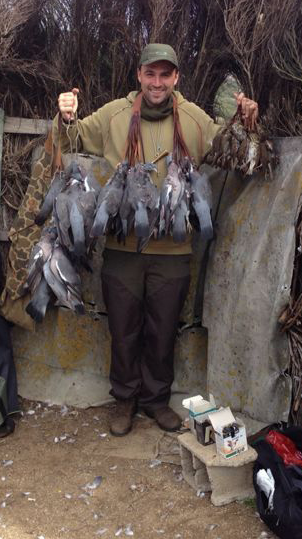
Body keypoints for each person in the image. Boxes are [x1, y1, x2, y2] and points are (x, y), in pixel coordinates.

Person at [54, 43, 258, 436]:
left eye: (166, 75)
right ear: (139, 75)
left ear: (176, 78)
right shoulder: (115, 114)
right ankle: (125, 400)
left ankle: (155, 401)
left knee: (163, 331)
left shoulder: (193, 119)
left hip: (173, 251)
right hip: (122, 249)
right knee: (123, 329)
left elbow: (231, 148)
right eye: (151, 74)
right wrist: (66, 116)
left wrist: (246, 121)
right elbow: (73, 138)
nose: (158, 82)